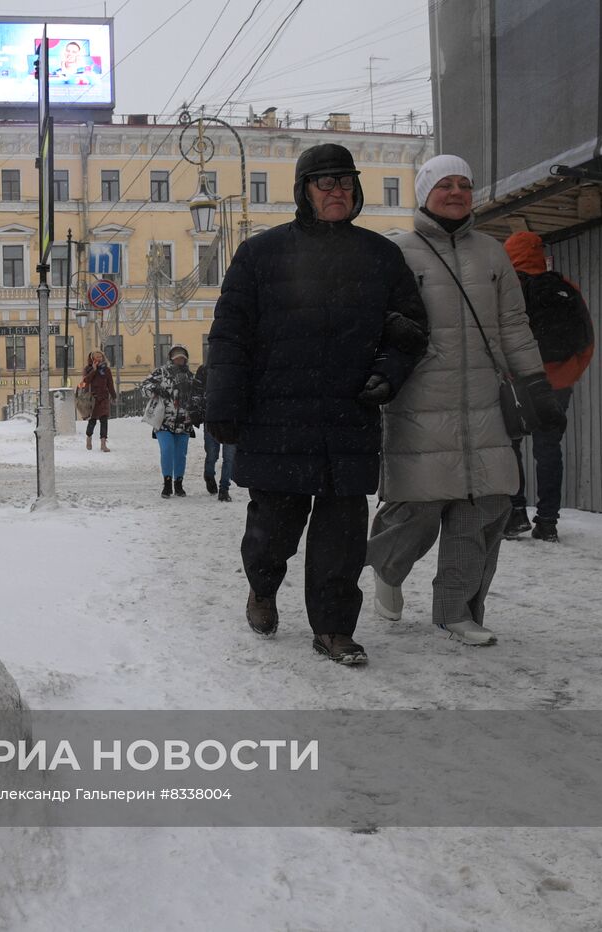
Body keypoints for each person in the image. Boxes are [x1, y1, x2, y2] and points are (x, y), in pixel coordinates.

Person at [205, 143, 429, 666]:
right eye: (325, 182)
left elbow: (411, 331)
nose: (337, 191)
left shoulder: (380, 256)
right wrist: (223, 405)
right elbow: (229, 335)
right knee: (272, 532)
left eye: (346, 182)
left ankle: (333, 629)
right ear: (304, 191)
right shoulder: (262, 254)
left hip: (348, 419)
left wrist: (388, 375)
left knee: (343, 538)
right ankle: (262, 588)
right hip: (277, 418)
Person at [366, 155, 565, 647]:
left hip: (483, 401)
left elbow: (513, 324)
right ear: (424, 193)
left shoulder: (493, 255)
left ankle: (457, 610)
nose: (455, 192)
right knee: (416, 509)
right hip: (418, 402)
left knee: (487, 505)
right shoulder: (397, 252)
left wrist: (535, 382)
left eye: (463, 184)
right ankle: (388, 569)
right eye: (444, 185)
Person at [501, 231, 595, 543]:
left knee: (511, 446)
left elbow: (497, 337)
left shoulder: (508, 289)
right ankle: (548, 521)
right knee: (548, 449)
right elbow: (587, 339)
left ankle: (515, 514)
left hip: (518, 382)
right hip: (557, 384)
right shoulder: (566, 287)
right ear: (539, 253)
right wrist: (567, 374)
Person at [142, 345, 199, 498]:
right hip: (164, 421)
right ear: (171, 358)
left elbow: (196, 395)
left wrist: (196, 406)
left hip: (184, 421)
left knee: (181, 455)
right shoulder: (161, 372)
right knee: (167, 450)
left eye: (182, 357)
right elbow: (144, 386)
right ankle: (167, 483)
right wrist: (156, 389)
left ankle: (178, 483)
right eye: (176, 357)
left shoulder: (190, 376)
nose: (179, 359)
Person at [193, 362, 234, 502]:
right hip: (212, 418)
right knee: (212, 454)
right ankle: (209, 475)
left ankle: (224, 489)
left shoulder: (236, 368)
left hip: (231, 420)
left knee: (229, 457)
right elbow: (196, 392)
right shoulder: (205, 369)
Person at [79, 349, 117, 452]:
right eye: (97, 357)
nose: (99, 359)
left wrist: (114, 396)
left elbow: (110, 384)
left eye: (100, 357)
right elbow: (86, 380)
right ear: (92, 358)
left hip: (103, 398)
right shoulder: (88, 369)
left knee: (104, 420)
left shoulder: (106, 370)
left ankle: (103, 443)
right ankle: (89, 438)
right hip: (93, 398)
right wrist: (94, 370)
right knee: (93, 420)